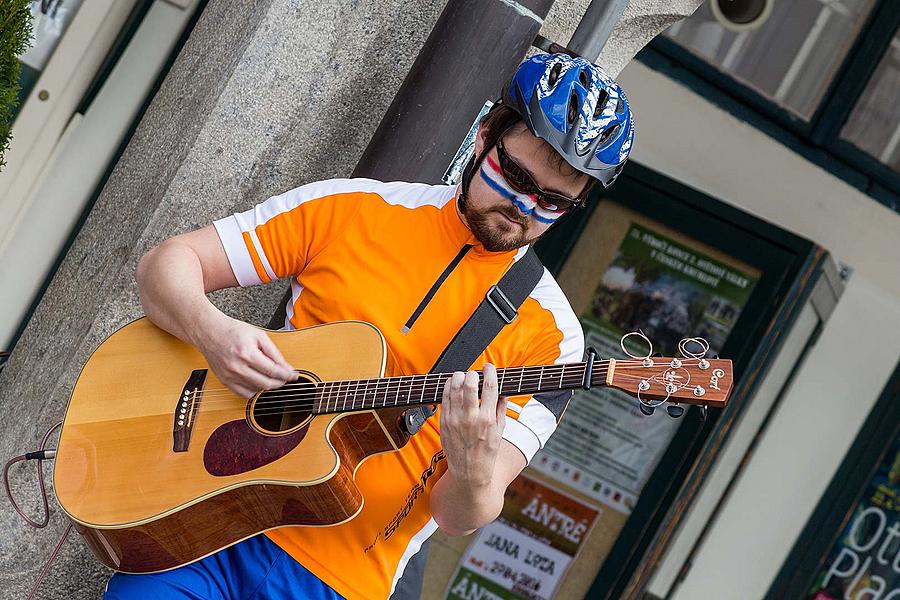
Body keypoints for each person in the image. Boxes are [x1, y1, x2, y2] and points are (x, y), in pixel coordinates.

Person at [106, 52, 634, 600]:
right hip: (207, 517)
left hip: (340, 583)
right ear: (482, 138)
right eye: (516, 176)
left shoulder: (555, 341)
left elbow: (459, 517)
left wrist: (471, 463)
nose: (523, 205)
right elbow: (164, 268)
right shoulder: (356, 208)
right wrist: (212, 332)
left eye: (552, 201)